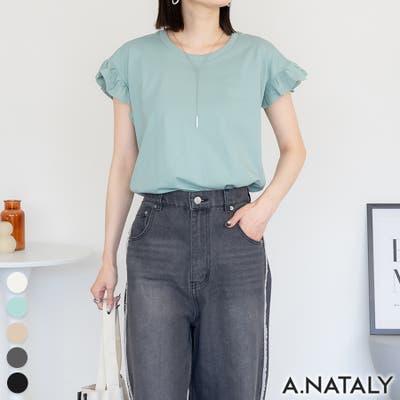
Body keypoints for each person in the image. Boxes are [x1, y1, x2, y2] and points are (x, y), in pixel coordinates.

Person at [90, 0, 307, 399]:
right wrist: (108, 258)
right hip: (157, 241)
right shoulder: (134, 59)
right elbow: (123, 163)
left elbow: (294, 148)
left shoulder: (258, 56)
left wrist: (263, 210)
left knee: (235, 389)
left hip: (235, 239)